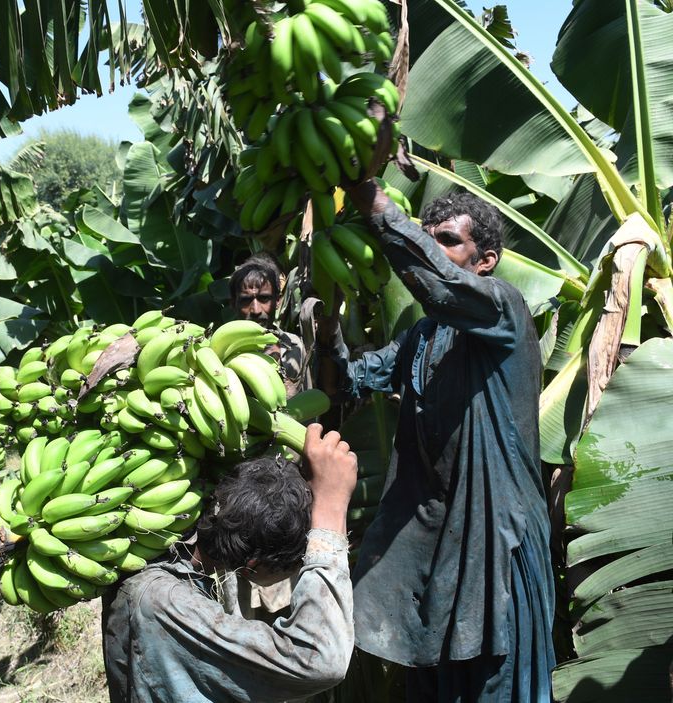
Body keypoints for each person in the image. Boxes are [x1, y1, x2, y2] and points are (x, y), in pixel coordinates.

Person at [327, 179, 555, 702]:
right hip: (437, 547)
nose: (433, 248)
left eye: (448, 240)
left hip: (499, 539)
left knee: (495, 685)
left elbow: (438, 285)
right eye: (427, 237)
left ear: (485, 260)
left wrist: (374, 201)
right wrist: (324, 337)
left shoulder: (504, 310)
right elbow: (353, 380)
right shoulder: (424, 336)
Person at [101, 426, 359, 703]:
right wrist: (331, 513)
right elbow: (322, 661)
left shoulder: (169, 557)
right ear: (252, 566)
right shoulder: (165, 604)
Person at [230, 253, 306, 396]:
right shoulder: (220, 355)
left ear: (277, 301)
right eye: (246, 300)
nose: (256, 310)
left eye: (264, 298)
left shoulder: (295, 347)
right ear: (233, 304)